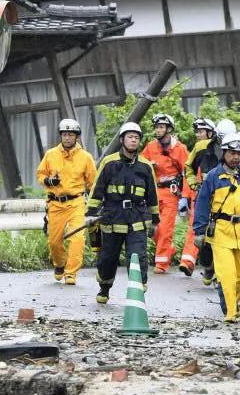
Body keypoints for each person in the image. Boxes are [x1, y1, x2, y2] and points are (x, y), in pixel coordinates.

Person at [192, 133, 240, 322]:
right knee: (227, 275)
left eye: (238, 152)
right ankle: (230, 312)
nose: (235, 156)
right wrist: (199, 231)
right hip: (221, 231)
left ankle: (232, 302)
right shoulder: (213, 176)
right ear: (224, 153)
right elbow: (202, 204)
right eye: (231, 152)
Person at [86, 121, 159, 304]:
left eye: (136, 137)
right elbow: (97, 189)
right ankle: (104, 287)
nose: (134, 141)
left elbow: (152, 194)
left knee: (137, 257)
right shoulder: (109, 163)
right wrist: (91, 213)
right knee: (107, 259)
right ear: (122, 140)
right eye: (130, 137)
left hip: (137, 219)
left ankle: (138, 292)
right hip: (112, 218)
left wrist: (155, 220)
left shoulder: (145, 166)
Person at [36, 118, 97, 286]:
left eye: (71, 134)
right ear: (60, 135)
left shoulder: (85, 157)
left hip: (76, 202)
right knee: (54, 241)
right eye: (65, 134)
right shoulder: (50, 154)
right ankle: (59, 264)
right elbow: (40, 175)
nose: (68, 137)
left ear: (76, 137)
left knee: (77, 238)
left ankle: (71, 273)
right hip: (55, 204)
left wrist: (97, 203)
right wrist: (49, 181)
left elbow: (93, 183)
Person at [141, 113, 189, 274]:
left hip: (171, 192)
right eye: (156, 127)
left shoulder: (180, 149)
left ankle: (161, 263)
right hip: (154, 192)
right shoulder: (151, 146)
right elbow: (141, 166)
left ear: (169, 129)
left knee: (165, 228)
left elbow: (187, 173)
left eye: (161, 127)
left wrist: (186, 196)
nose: (158, 130)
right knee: (153, 228)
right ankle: (168, 249)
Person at [181, 117, 224, 283]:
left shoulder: (233, 149)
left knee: (221, 235)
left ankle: (217, 272)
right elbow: (188, 167)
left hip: (225, 199)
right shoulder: (201, 148)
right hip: (203, 198)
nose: (198, 135)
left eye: (201, 131)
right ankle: (208, 267)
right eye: (196, 132)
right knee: (201, 233)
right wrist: (193, 186)